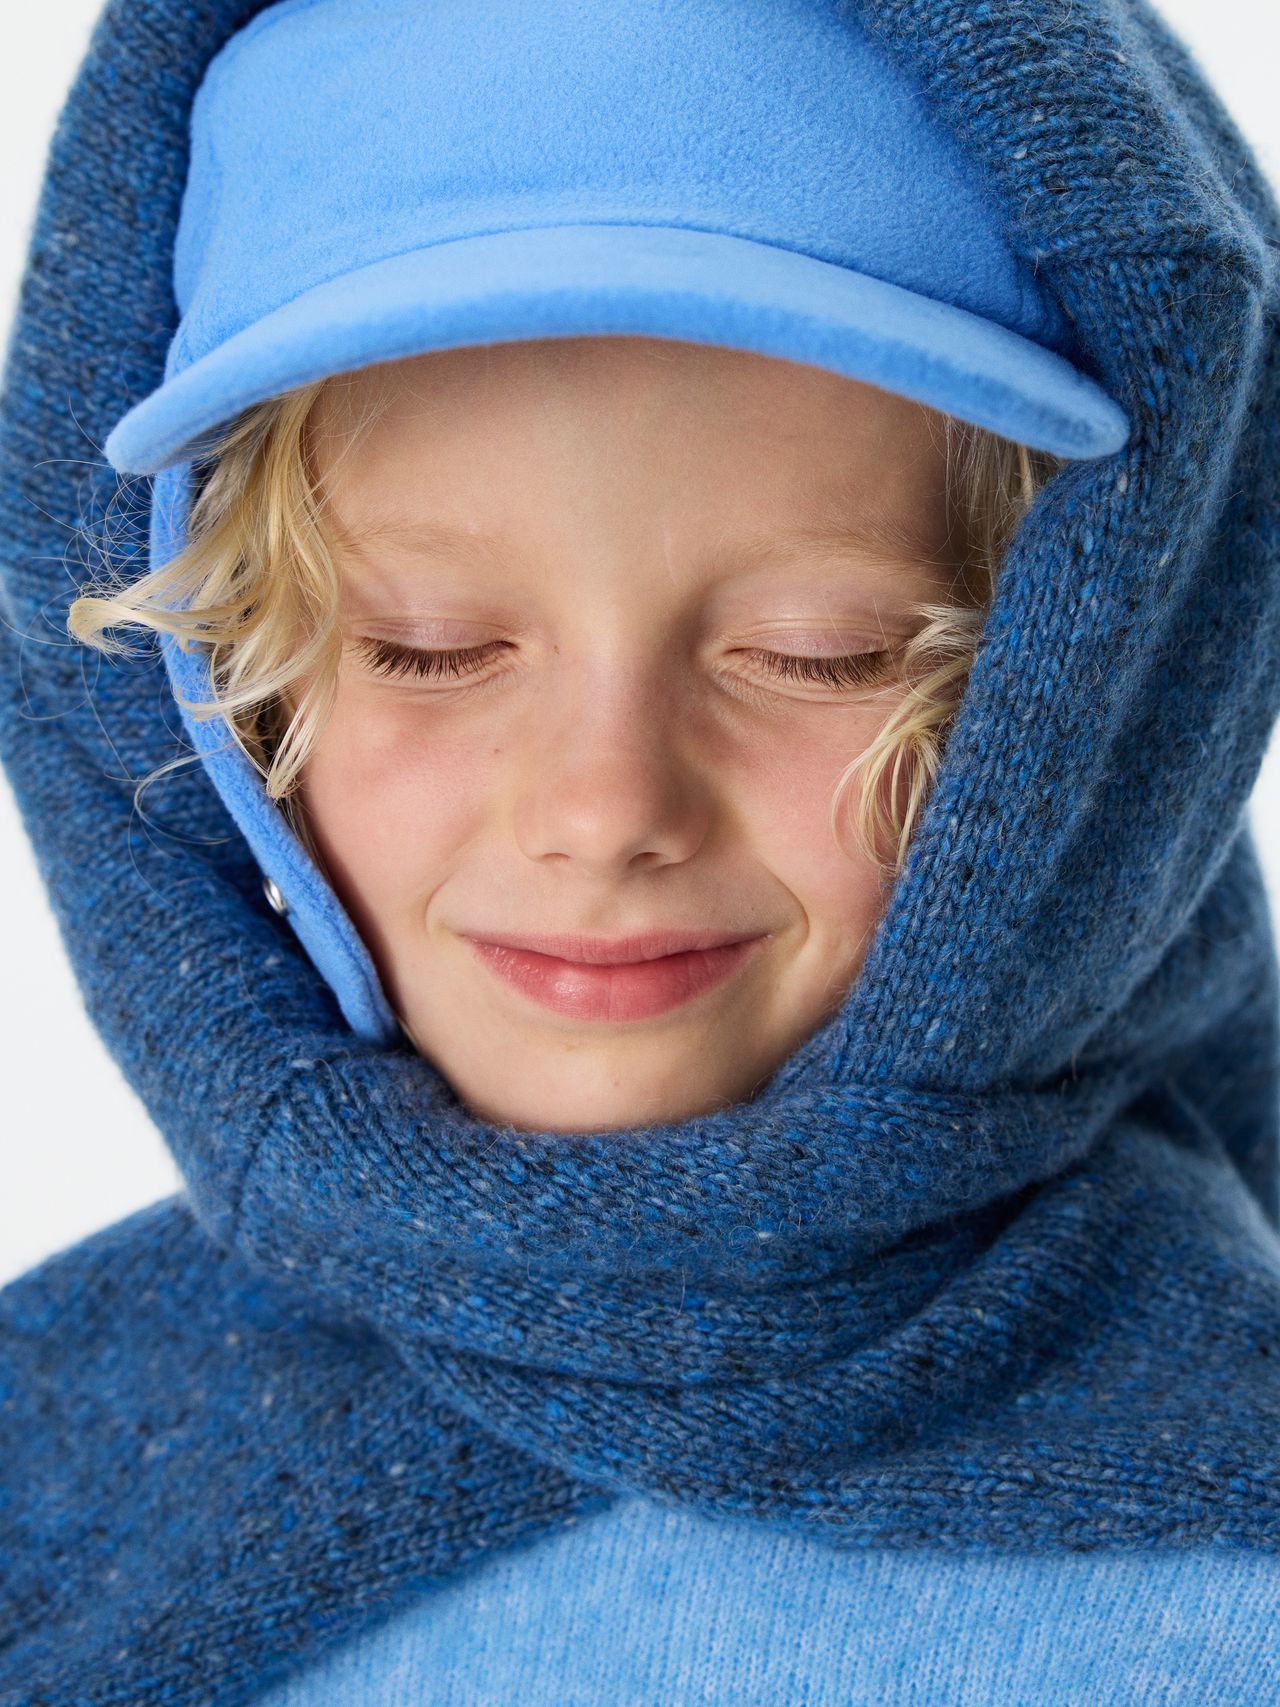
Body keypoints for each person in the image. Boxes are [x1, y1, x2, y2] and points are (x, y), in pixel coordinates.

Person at [1, 0, 1278, 1702]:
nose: (605, 809)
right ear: (209, 703)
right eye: (430, 646)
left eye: (823, 651)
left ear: (1102, 711)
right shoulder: (47, 1473)